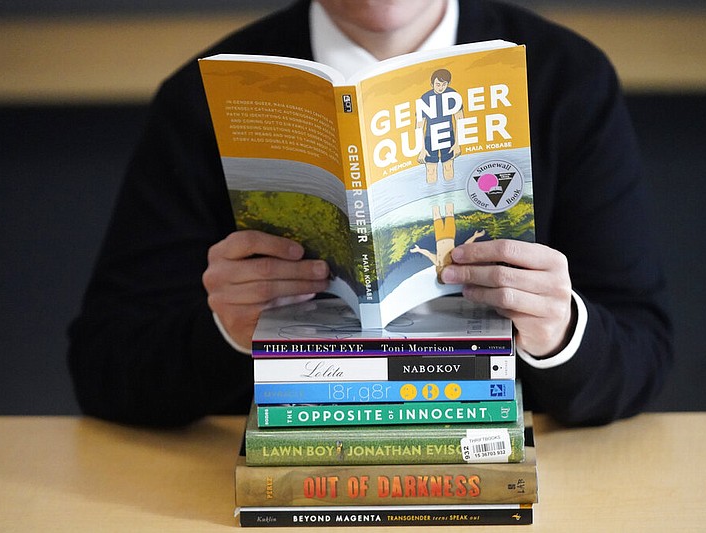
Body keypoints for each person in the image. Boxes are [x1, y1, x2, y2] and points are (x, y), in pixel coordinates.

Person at [68, 0, 673, 428]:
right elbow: (104, 365)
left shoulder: (567, 79)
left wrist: (558, 329)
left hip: (488, 459)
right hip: (290, 467)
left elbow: (643, 350)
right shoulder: (203, 97)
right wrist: (226, 331)